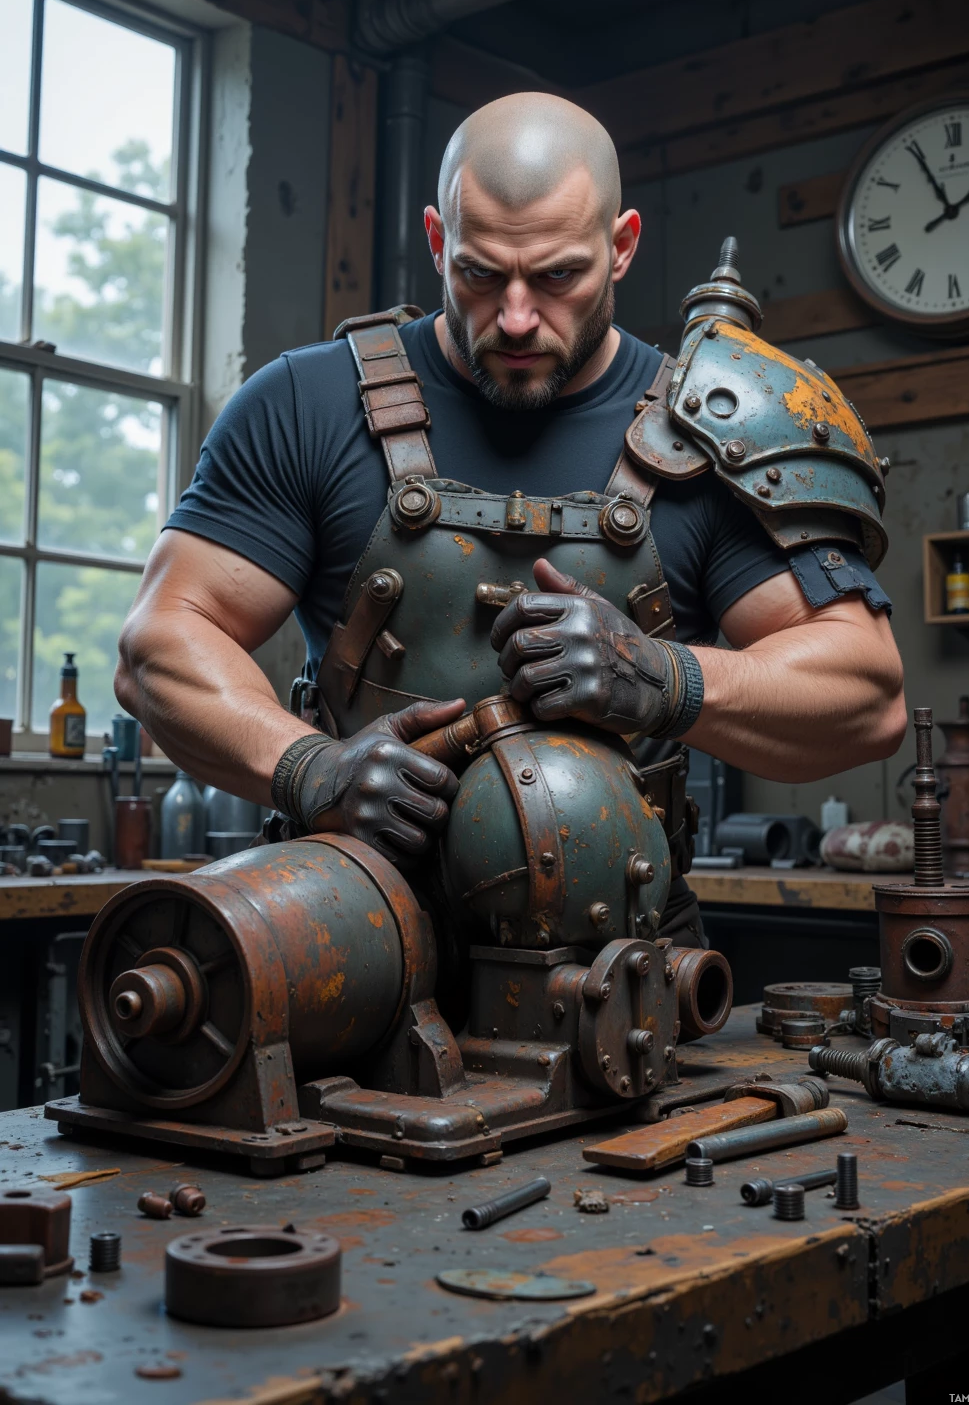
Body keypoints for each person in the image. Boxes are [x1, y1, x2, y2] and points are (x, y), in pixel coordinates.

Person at [116, 91, 905, 946]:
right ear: (437, 240)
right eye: (481, 273)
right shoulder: (306, 405)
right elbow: (160, 644)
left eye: (560, 275)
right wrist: (310, 768)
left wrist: (660, 677)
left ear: (622, 245)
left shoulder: (721, 432)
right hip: (354, 949)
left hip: (626, 967)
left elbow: (867, 695)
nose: (519, 316)